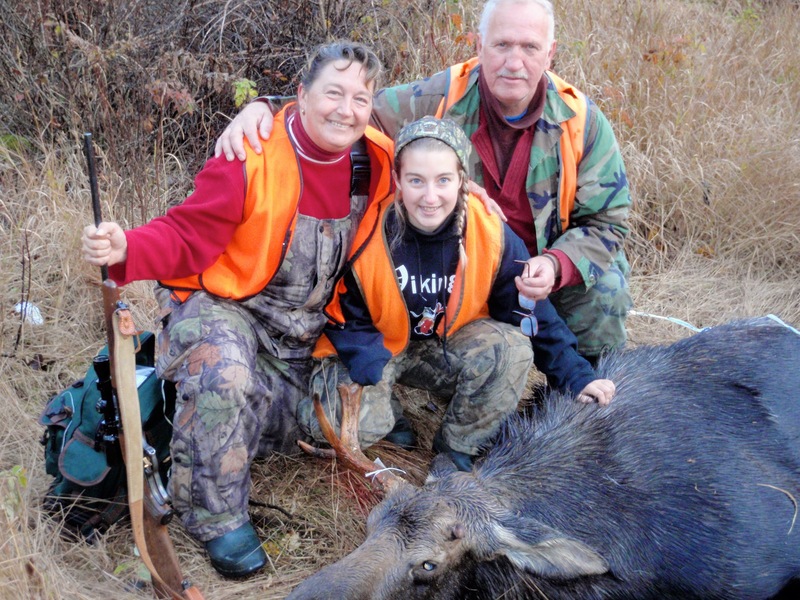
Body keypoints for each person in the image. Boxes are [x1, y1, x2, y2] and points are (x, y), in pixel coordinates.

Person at [81, 41, 395, 579]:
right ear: (300, 95)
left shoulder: (377, 158)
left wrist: (469, 194)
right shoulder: (252, 151)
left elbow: (438, 141)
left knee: (373, 417)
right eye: (332, 93)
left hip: (304, 331)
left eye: (360, 98)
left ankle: (216, 422)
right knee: (225, 372)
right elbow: (185, 230)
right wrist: (126, 247)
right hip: (226, 305)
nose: (346, 109)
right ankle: (213, 514)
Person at [215, 0, 633, 365]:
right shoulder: (437, 97)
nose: (514, 61)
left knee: (607, 287)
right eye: (502, 45)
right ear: (479, 46)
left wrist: (557, 266)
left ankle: (586, 389)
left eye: (530, 47)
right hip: (456, 272)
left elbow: (609, 222)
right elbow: (348, 114)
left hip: (536, 270)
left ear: (551, 53)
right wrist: (268, 109)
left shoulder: (581, 123)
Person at [301, 116, 615, 472]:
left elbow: (530, 310)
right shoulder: (369, 227)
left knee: (511, 349)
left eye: (444, 180)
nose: (430, 197)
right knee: (325, 425)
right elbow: (342, 310)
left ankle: (457, 451)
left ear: (463, 182)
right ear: (398, 181)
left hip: (444, 344)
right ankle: (390, 415)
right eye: (416, 181)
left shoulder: (489, 232)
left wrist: (576, 375)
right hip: (377, 346)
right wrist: (369, 364)